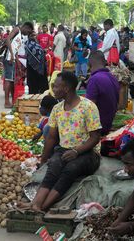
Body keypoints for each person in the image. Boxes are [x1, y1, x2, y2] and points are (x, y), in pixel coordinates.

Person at [23, 71, 101, 211]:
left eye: (56, 86)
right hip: (63, 150)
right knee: (53, 166)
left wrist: (76, 151)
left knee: (70, 169)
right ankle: (36, 203)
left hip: (88, 153)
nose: (53, 89)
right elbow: (51, 137)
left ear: (66, 88)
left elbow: (95, 137)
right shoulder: (57, 109)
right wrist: (44, 159)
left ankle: (43, 207)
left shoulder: (88, 107)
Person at [86, 51, 120, 135]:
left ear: (90, 64)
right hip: (108, 123)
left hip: (98, 128)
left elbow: (89, 109)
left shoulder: (94, 79)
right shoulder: (112, 77)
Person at [4, 22, 34, 108]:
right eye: (28, 32)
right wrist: (12, 55)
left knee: (12, 80)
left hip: (13, 58)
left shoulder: (21, 36)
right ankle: (6, 102)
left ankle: (13, 101)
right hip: (9, 58)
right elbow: (8, 39)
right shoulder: (17, 30)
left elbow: (15, 48)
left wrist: (17, 61)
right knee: (8, 79)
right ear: (26, 27)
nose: (27, 34)